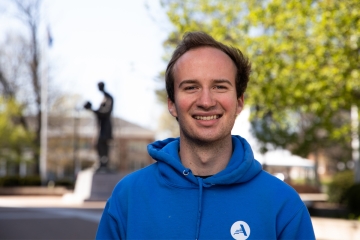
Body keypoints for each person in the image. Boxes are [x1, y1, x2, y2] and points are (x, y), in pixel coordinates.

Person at [96, 32, 315, 239]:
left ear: (239, 103)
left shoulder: (283, 205)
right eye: (191, 87)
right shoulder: (128, 198)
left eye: (219, 86)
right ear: (172, 105)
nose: (206, 102)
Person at [84, 81, 113, 171]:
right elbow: (100, 113)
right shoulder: (103, 98)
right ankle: (101, 162)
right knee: (98, 144)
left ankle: (104, 163)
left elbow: (106, 112)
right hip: (100, 126)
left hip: (106, 126)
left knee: (103, 143)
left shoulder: (109, 98)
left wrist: (93, 109)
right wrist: (91, 109)